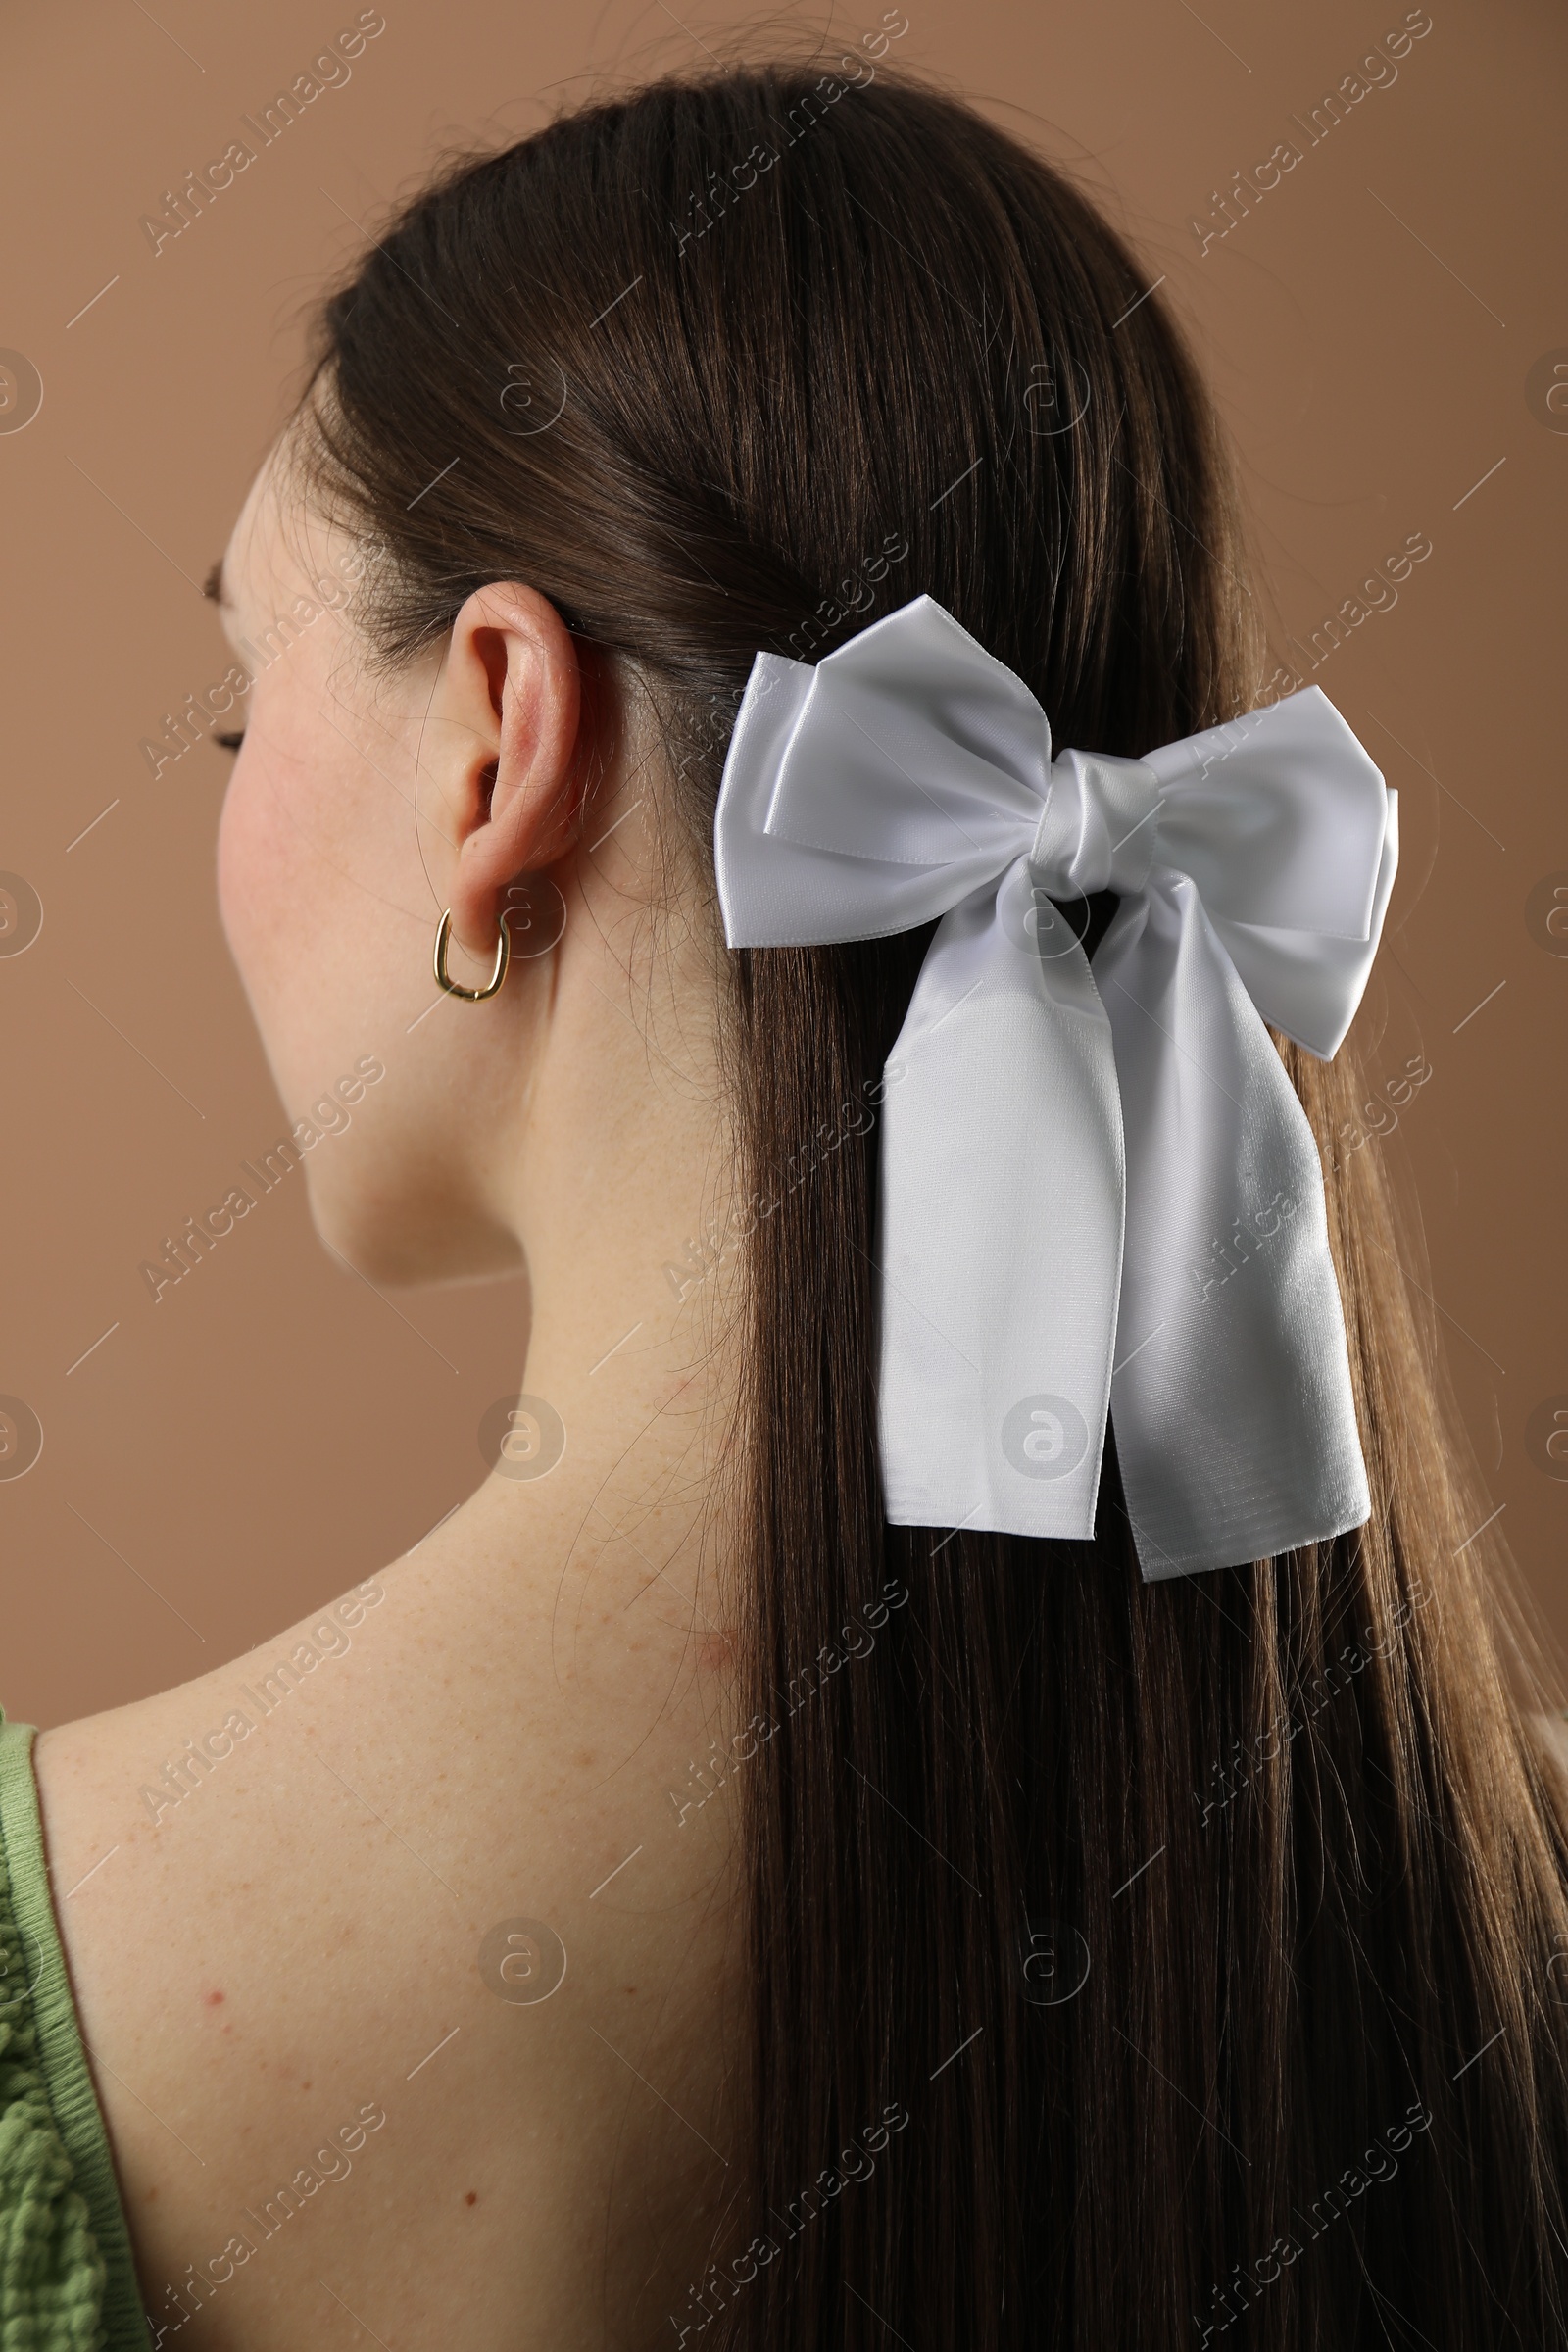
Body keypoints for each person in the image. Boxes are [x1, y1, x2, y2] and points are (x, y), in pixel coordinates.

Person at [14, 56, 1568, 2352]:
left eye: (245, 709)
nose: (227, 817)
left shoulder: (74, 1968)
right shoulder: (1495, 1875)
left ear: (498, 738)